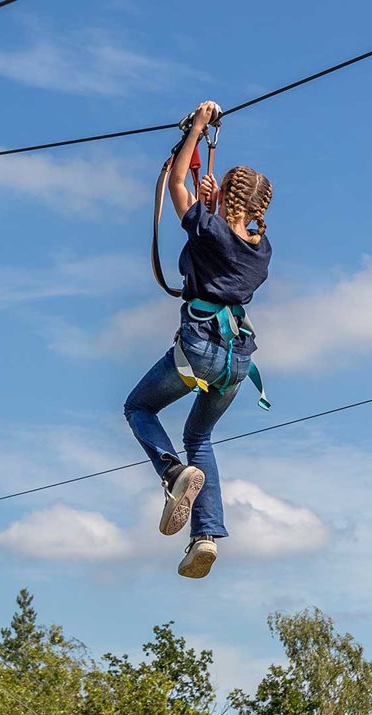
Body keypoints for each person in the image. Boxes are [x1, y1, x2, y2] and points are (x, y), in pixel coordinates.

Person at [123, 100, 273, 579]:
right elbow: (221, 247)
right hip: (237, 363)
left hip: (201, 350)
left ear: (225, 195)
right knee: (200, 437)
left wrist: (198, 128)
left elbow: (175, 186)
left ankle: (171, 474)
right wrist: (212, 204)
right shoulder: (261, 249)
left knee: (138, 408)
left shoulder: (206, 228)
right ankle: (204, 536)